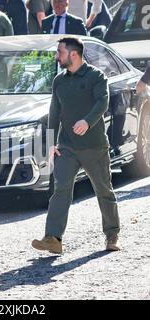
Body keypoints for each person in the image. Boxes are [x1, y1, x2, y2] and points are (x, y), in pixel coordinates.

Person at [32, 36, 120, 254]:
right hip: (66, 147)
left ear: (73, 54)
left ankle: (112, 234)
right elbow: (54, 111)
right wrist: (52, 142)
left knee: (104, 190)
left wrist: (87, 121)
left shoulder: (96, 76)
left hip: (94, 146)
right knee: (60, 190)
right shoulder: (59, 81)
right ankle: (53, 238)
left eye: (59, 52)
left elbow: (103, 102)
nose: (56, 56)